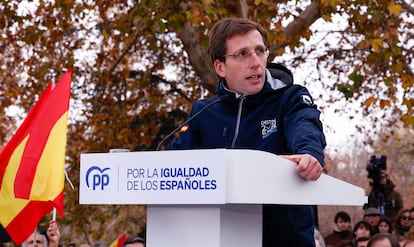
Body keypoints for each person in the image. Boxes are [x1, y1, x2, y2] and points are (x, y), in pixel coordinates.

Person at [166, 17, 326, 246]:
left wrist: (309, 153)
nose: (256, 62)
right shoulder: (203, 112)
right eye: (242, 54)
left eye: (259, 51)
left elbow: (305, 126)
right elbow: (171, 165)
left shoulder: (289, 98)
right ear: (220, 67)